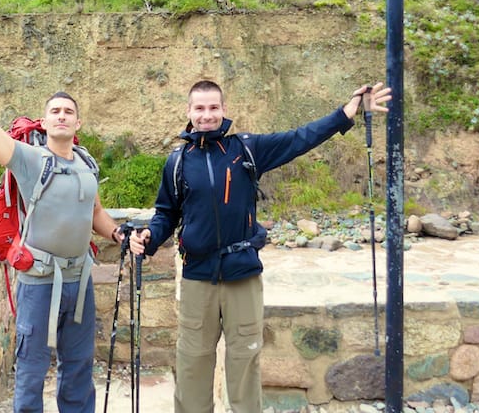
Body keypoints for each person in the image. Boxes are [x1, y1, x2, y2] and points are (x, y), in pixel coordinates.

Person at [129, 79, 392, 413]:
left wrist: (346, 114)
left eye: (213, 108)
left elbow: (301, 138)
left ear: (224, 110)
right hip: (197, 276)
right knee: (193, 364)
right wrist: (149, 238)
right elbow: (166, 214)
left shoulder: (247, 150)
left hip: (242, 274)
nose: (207, 115)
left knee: (244, 363)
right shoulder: (178, 161)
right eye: (200, 108)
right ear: (189, 112)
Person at [0, 87, 125, 413]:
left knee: (78, 366)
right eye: (55, 111)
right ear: (45, 122)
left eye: (68, 112)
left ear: (78, 123)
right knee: (31, 370)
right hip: (39, 282)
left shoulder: (87, 163)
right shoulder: (29, 159)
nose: (62, 116)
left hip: (79, 280)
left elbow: (95, 214)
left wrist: (118, 233)